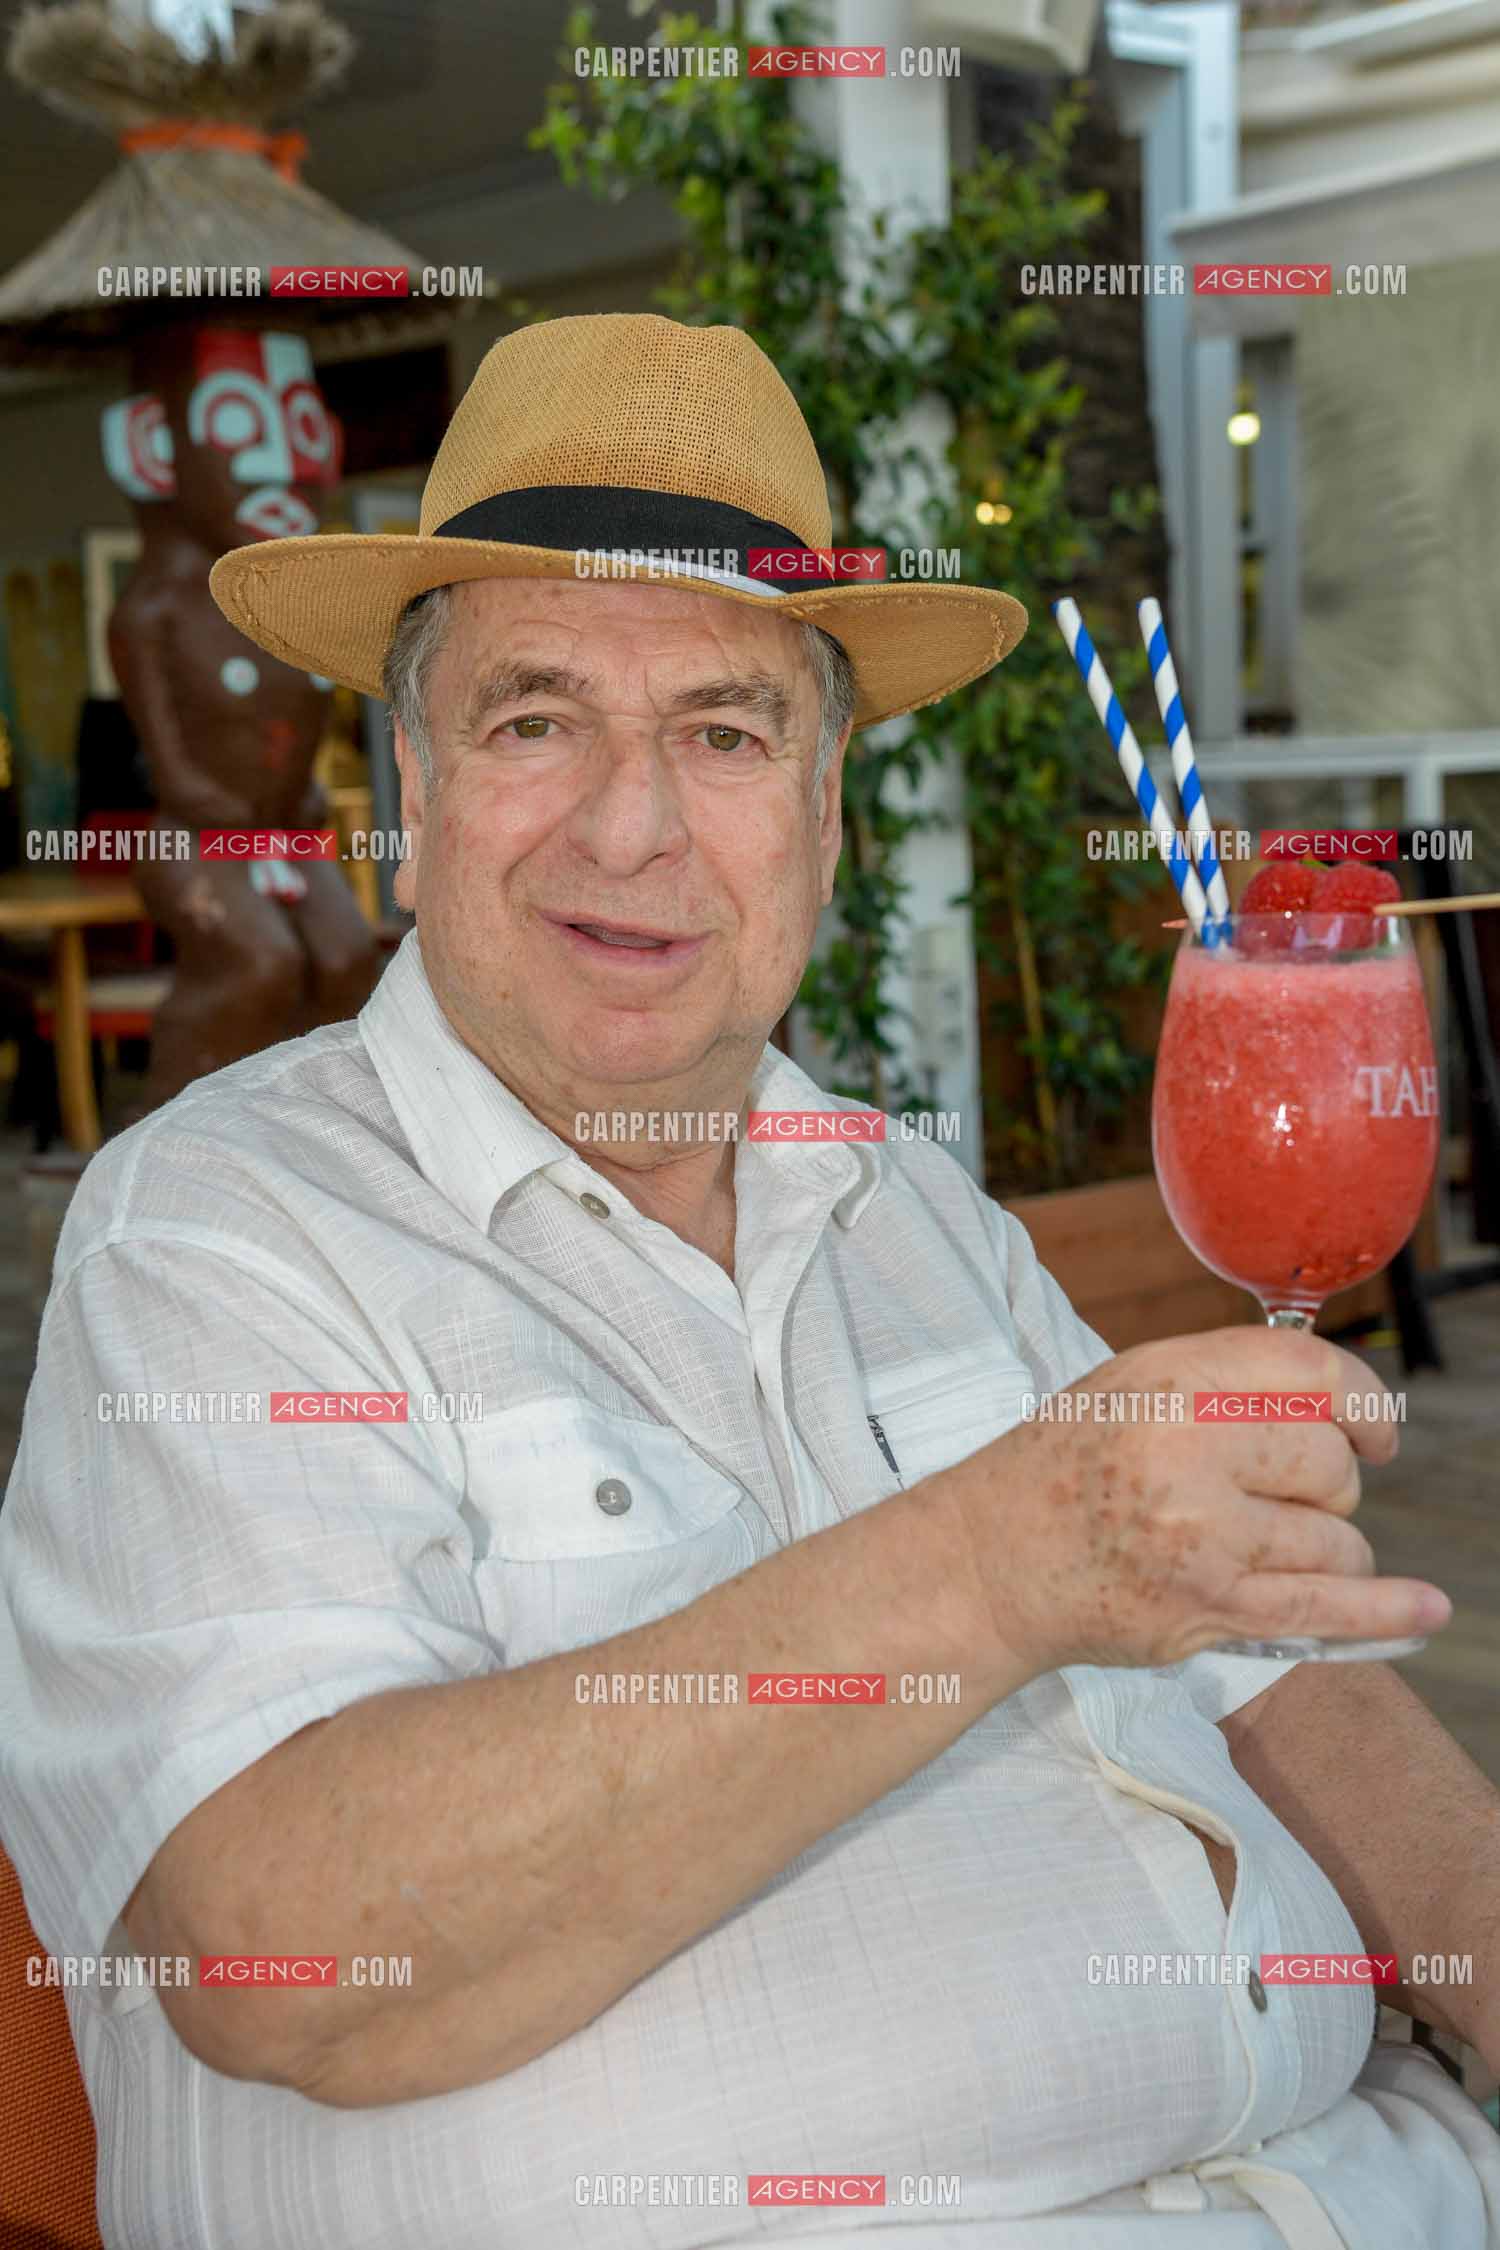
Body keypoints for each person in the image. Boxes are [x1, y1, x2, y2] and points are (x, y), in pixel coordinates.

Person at [1, 313, 1496, 2250]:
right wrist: (999, 1560)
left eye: (722, 731)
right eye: (537, 718)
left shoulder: (906, 1204)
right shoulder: (214, 1233)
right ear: (411, 789)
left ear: (822, 815)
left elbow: (1274, 1681)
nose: (629, 825)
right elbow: (278, 1943)